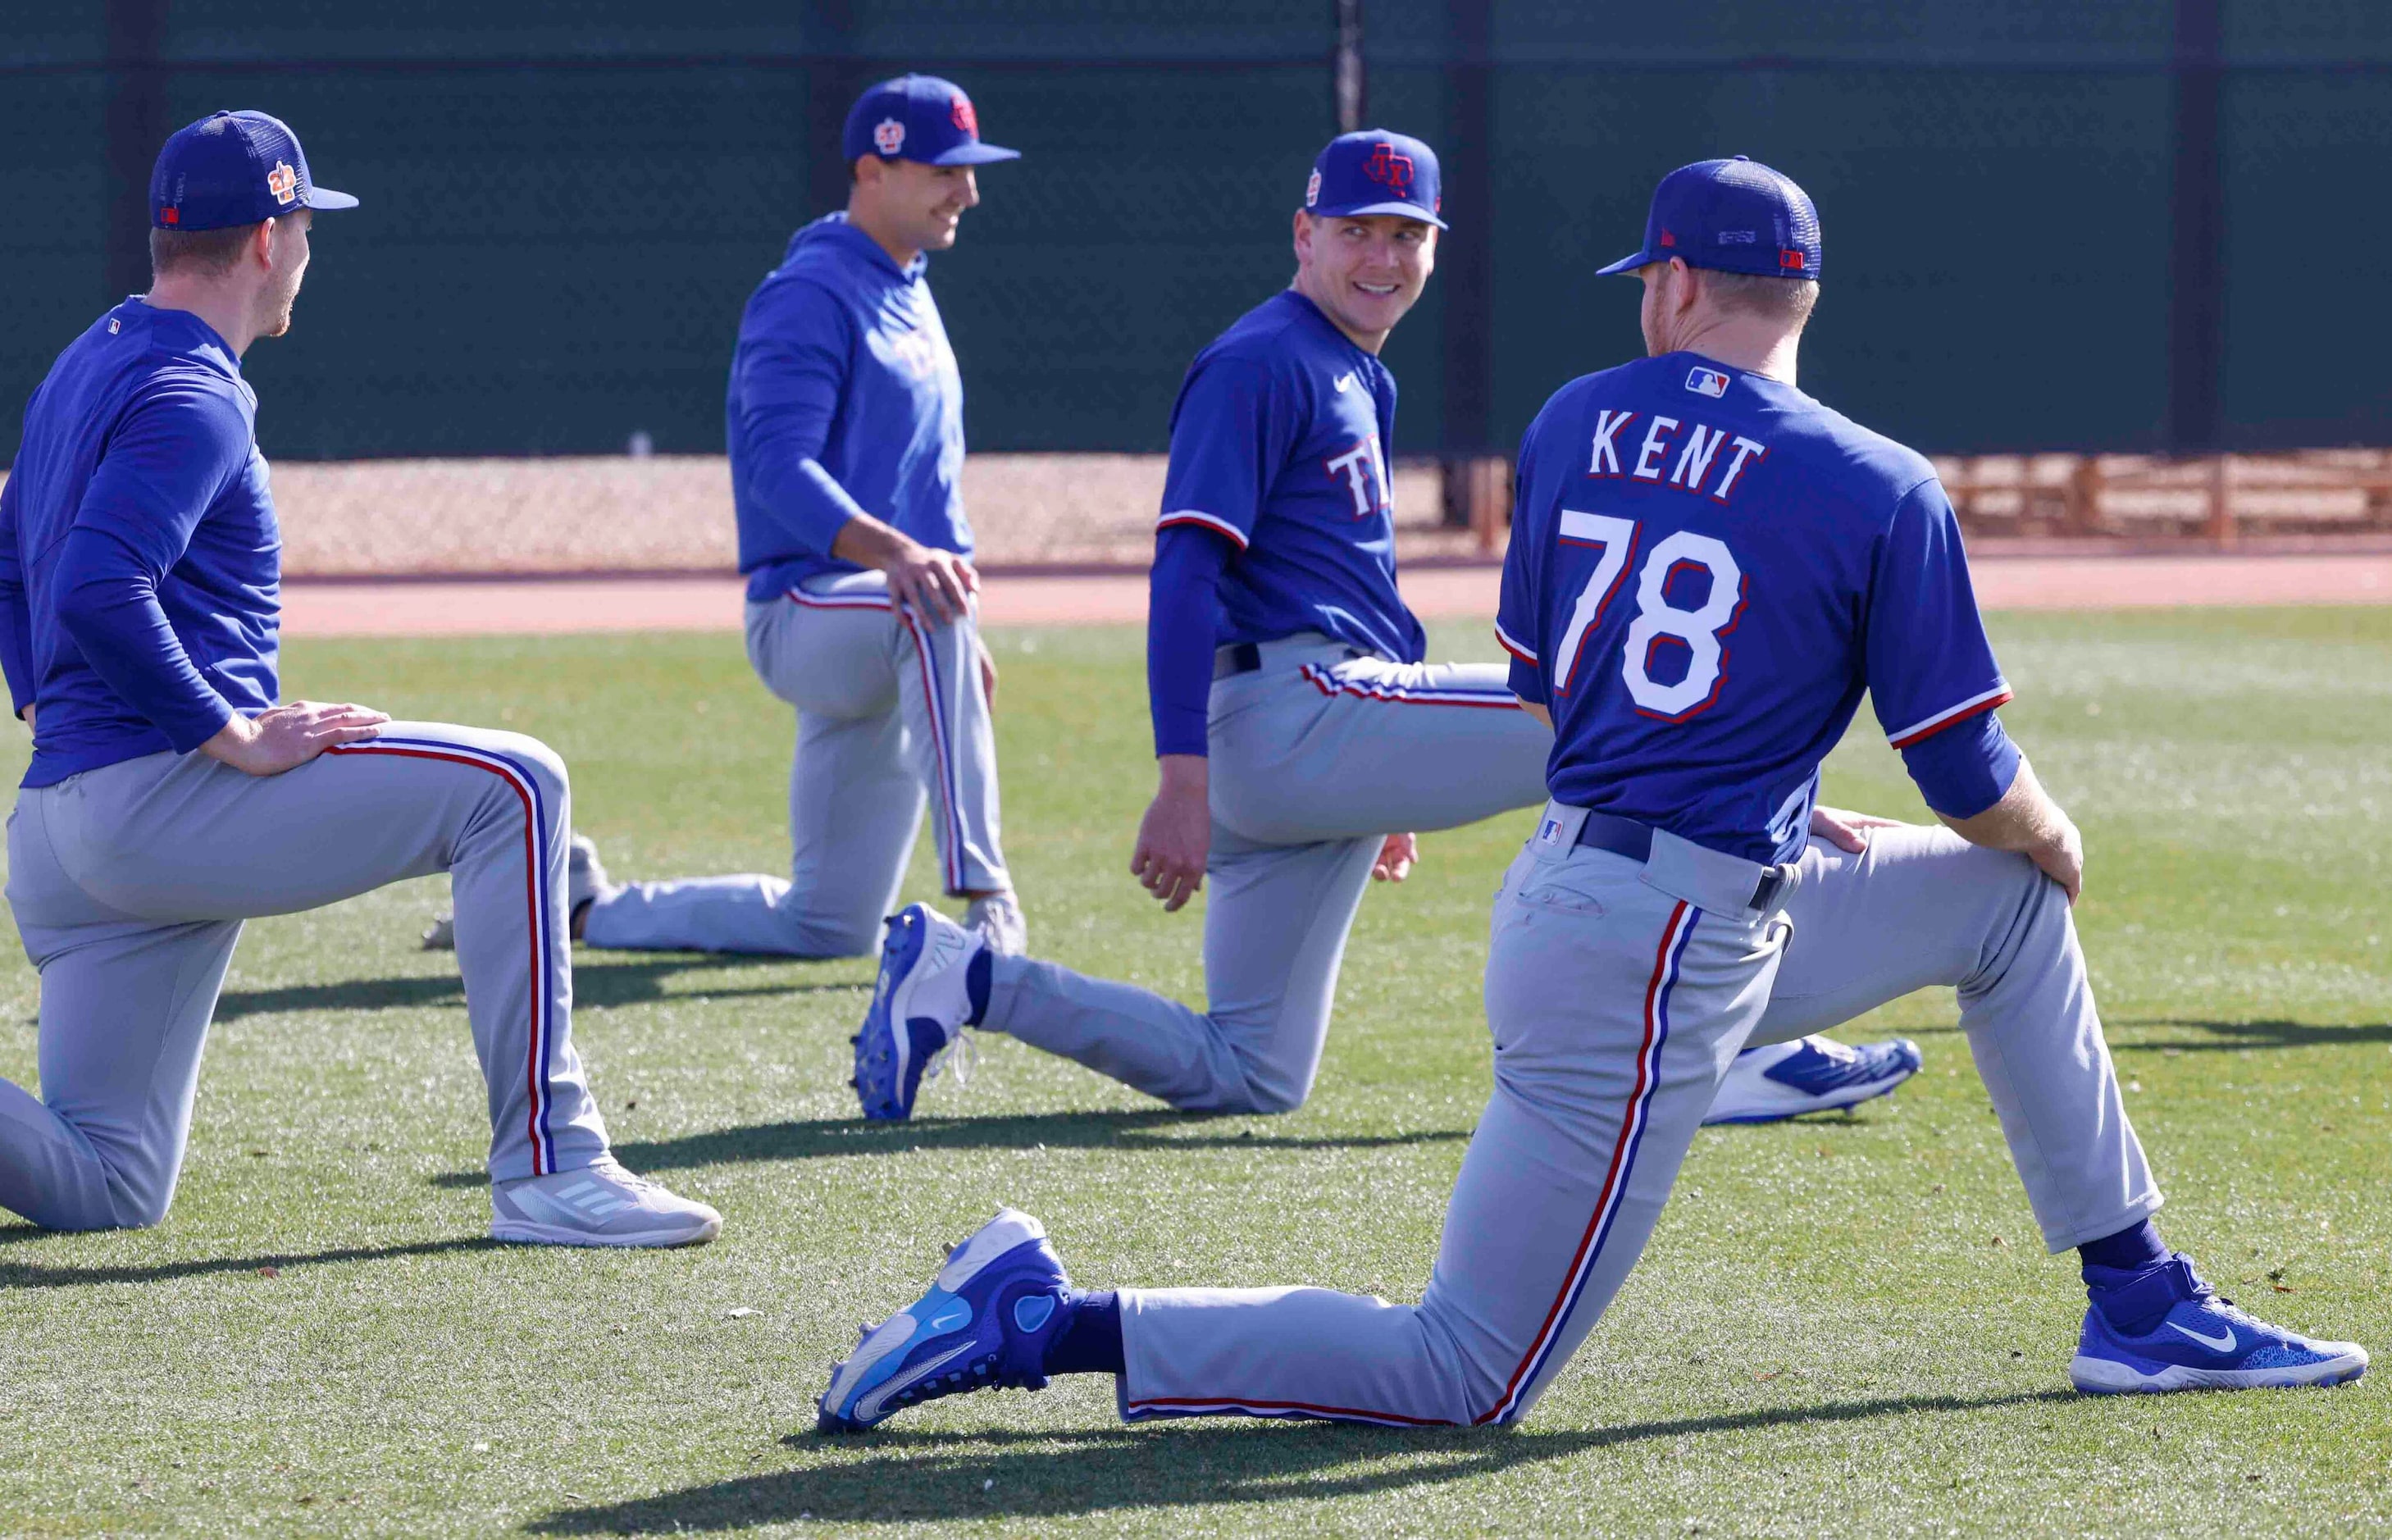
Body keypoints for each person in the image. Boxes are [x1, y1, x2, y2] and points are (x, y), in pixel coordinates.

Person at [816, 156, 2366, 1431]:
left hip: (1622, 890)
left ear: (1677, 285)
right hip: (1648, 947)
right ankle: (1045, 1317)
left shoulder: (1569, 421)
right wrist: (2046, 820)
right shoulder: (1880, 478)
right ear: (1803, 295)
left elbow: (1557, 690)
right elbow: (1963, 771)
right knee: (1462, 1370)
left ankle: (2140, 1298)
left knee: (2002, 916)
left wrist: (1785, 796)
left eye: (1647, 280)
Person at [848, 130, 1918, 1128]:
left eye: (1405, 234)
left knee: (1251, 1068)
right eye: (1356, 229)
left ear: (1435, 248)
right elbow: (1184, 569)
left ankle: (965, 975)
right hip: (1283, 716)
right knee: (1603, 721)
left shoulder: (1352, 364)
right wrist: (1182, 772)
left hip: (1324, 737)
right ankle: (1725, 1050)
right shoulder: (1263, 358)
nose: (1382, 255)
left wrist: (1396, 770)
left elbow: (1347, 581)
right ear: (1303, 235)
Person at [0, 110, 719, 1248]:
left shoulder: (94, 353)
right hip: (151, 809)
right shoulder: (193, 390)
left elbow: (13, 536)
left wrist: (36, 691)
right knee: (516, 787)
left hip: (59, 831)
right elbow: (97, 585)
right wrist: (230, 733)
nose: (309, 252)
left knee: (107, 1184)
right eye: (304, 226)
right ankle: (551, 1167)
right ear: (266, 241)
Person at [420, 75, 1028, 959]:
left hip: (888, 628)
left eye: (971, 171)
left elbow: (933, 485)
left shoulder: (912, 286)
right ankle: (990, 897)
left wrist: (950, 618)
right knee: (925, 608)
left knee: (827, 926)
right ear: (872, 170)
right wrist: (910, 569)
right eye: (944, 169)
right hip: (805, 617)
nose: (966, 190)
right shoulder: (808, 293)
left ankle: (583, 907)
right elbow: (779, 468)